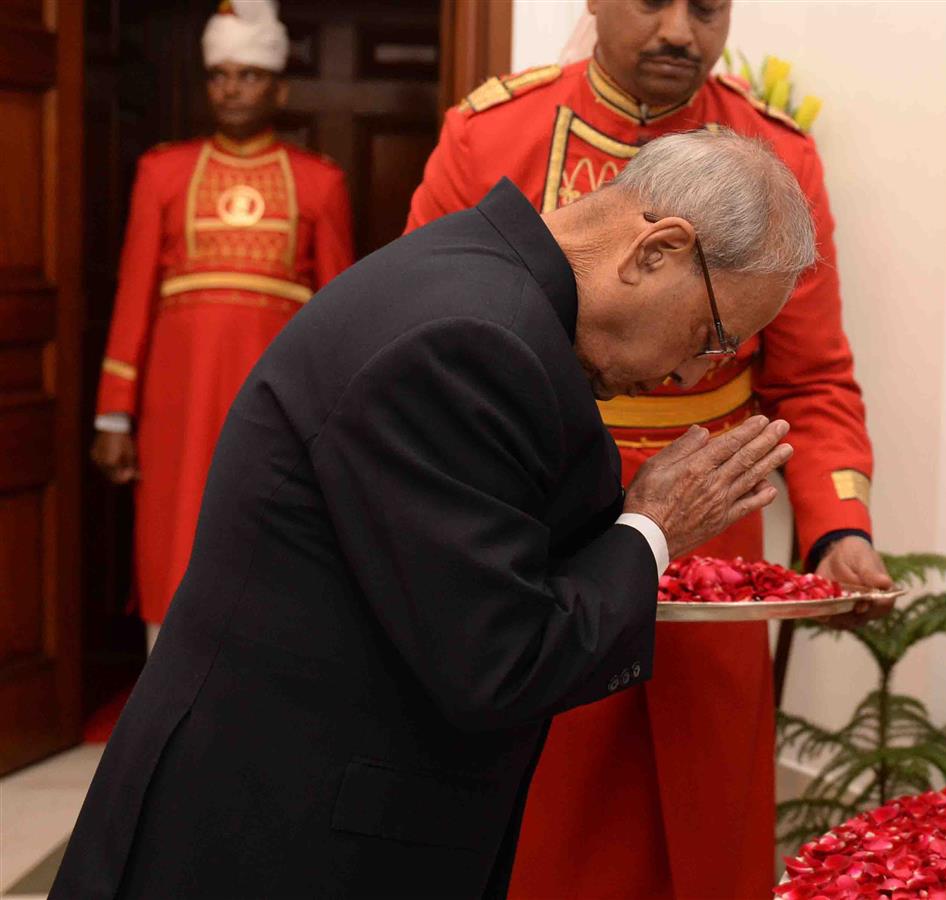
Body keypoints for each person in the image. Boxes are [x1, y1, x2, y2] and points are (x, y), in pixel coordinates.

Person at [51, 130, 812, 899]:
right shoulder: (474, 342)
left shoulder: (480, 275)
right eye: (713, 338)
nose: (690, 372)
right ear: (656, 250)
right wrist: (652, 529)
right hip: (280, 836)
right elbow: (502, 663)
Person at [405, 2, 887, 895]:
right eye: (652, 0)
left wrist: (837, 530)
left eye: (706, 8)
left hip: (714, 536)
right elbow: (416, 340)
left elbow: (813, 382)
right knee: (538, 794)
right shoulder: (490, 132)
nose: (679, 31)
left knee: (702, 805)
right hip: (532, 515)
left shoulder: (779, 157)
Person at [89, 0, 353, 652]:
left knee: (271, 538)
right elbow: (133, 296)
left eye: (249, 75)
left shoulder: (319, 182)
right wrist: (113, 416)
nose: (231, 89)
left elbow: (341, 312)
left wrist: (343, 417)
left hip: (276, 405)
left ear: (279, 86)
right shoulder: (162, 172)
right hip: (174, 407)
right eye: (219, 75)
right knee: (171, 538)